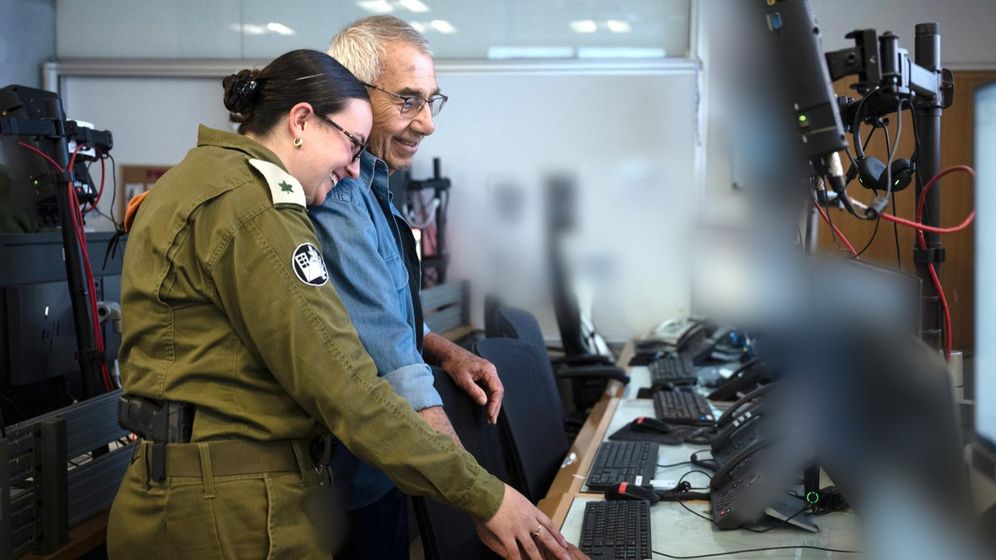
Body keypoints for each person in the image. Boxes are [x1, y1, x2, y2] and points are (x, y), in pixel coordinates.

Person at [106, 48, 574, 560]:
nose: (353, 170)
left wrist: (438, 349)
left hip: (188, 497)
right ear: (301, 121)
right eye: (352, 145)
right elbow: (347, 386)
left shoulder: (199, 177)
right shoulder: (255, 208)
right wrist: (487, 498)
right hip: (231, 514)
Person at [310, 16, 506, 559]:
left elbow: (377, 314)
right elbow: (392, 361)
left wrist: (443, 349)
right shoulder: (338, 200)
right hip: (343, 488)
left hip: (378, 472)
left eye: (430, 101)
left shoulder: (373, 189)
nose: (427, 123)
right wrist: (486, 501)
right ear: (351, 95)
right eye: (408, 101)